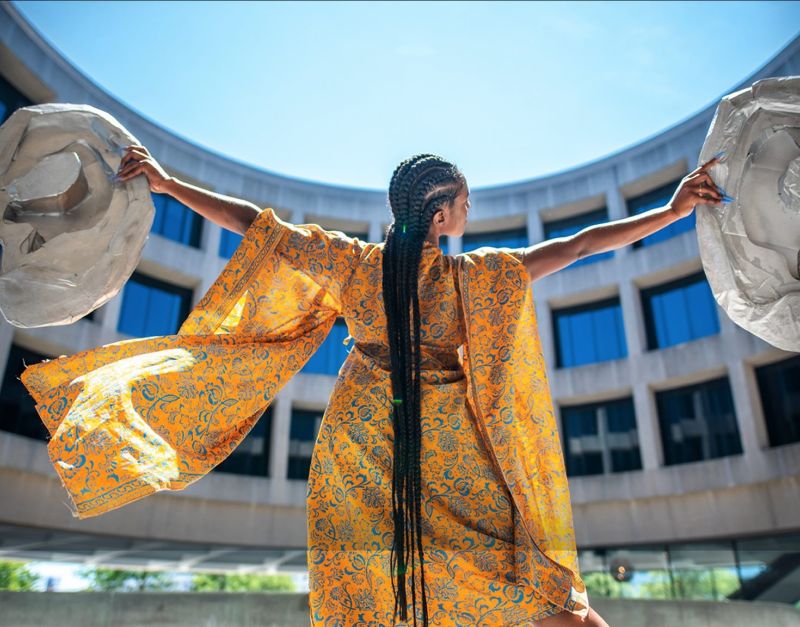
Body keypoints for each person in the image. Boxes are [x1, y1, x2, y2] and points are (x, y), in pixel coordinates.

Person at [24, 147, 723, 627]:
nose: (470, 213)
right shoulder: (469, 276)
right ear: (444, 215)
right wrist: (667, 213)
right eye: (467, 203)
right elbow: (577, 246)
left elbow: (254, 226)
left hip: (360, 439)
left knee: (384, 590)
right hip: (440, 443)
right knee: (523, 568)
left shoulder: (354, 264)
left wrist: (173, 185)